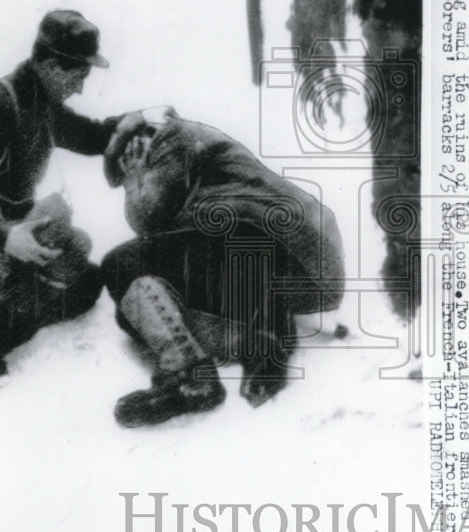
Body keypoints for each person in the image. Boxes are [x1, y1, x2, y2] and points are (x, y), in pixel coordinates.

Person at [0, 9, 144, 392]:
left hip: (4, 234)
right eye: (79, 76)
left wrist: (130, 124)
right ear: (53, 66)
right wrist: (5, 236)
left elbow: (88, 136)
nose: (81, 88)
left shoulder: (39, 99)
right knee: (64, 254)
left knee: (85, 282)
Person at [101, 112, 345, 427]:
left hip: (275, 247)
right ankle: (258, 340)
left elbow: (147, 218)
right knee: (137, 312)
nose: (134, 174)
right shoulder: (188, 146)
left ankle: (192, 376)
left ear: (137, 141)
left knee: (120, 265)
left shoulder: (171, 139)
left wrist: (134, 177)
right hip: (292, 264)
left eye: (129, 160)